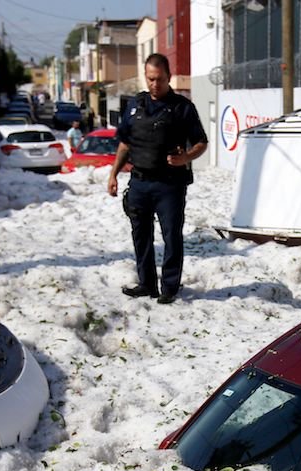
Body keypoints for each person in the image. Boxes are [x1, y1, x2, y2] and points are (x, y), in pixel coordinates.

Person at [108, 53, 208, 304]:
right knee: (140, 235)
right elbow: (124, 144)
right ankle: (147, 284)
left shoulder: (183, 108)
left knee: (171, 236)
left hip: (169, 185)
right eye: (150, 79)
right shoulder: (134, 105)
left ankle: (170, 287)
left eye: (160, 79)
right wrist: (113, 174)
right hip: (139, 182)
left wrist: (185, 158)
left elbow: (201, 142)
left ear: (169, 77)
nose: (155, 84)